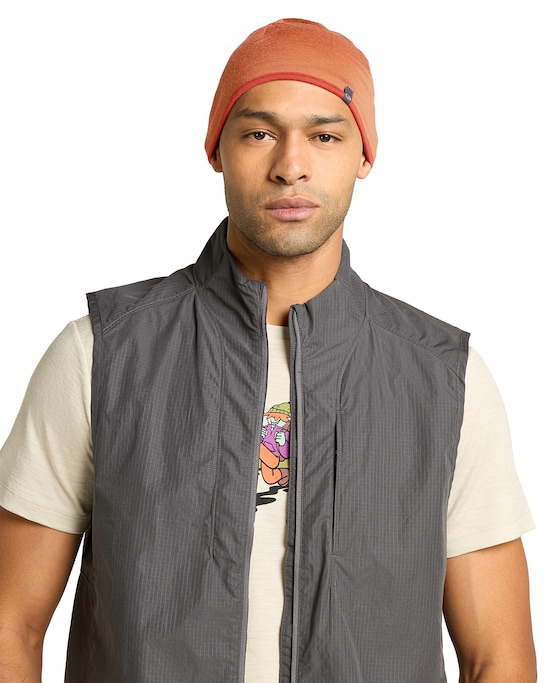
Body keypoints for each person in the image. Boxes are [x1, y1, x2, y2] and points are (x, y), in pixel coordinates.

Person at [0, 17, 537, 683]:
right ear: (216, 149)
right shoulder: (100, 356)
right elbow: (10, 624)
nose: (291, 165)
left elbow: (497, 658)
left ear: (364, 156)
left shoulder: (445, 379)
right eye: (258, 133)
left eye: (324, 136)